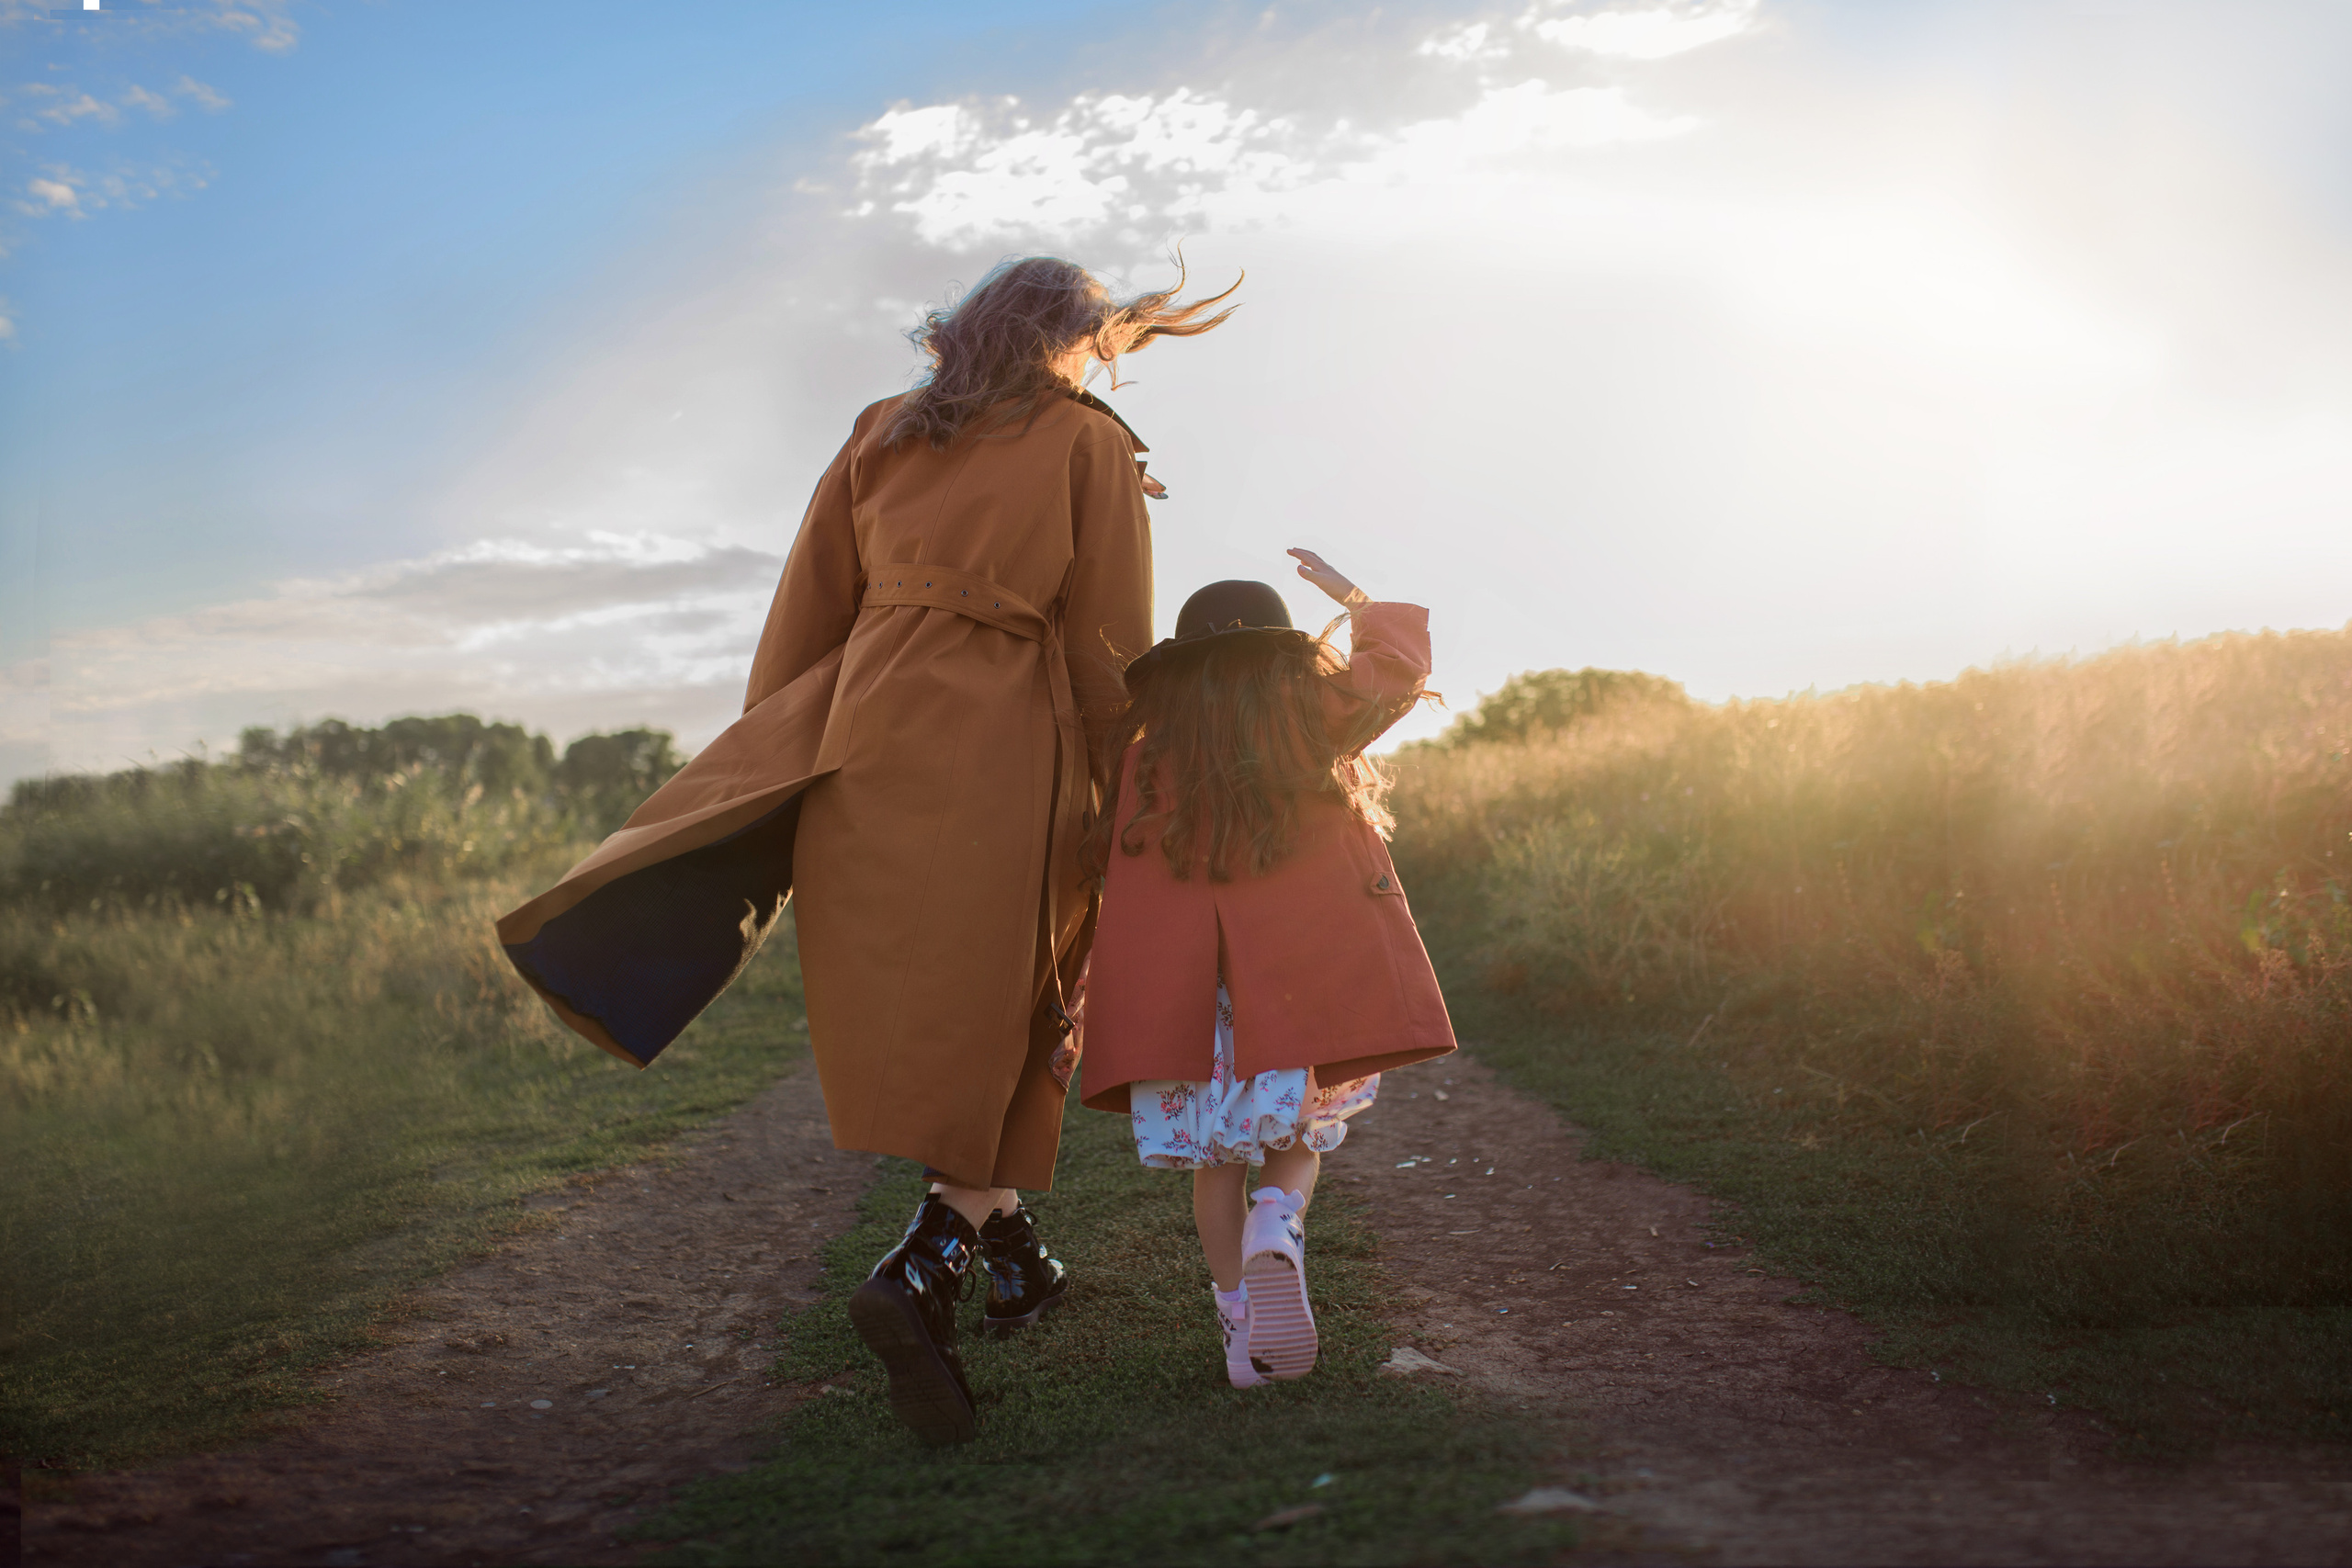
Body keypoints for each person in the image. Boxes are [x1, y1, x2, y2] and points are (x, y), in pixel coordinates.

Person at [493, 255, 1238, 1445]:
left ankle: (1015, 1262)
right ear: (1070, 337)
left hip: (856, 740)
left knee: (950, 1006)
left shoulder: (881, 430)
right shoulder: (1086, 442)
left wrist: (776, 760)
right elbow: (1109, 646)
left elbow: (805, 610)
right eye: (1100, 344)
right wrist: (1124, 792)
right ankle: (924, 1266)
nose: (1104, 361)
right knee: (1020, 998)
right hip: (1009, 746)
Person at [1077, 549, 1457, 1386]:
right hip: (1286, 989)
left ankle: (1236, 1327)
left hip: (1188, 1002)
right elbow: (1396, 670)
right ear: (1284, 654)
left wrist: (1083, 990)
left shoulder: (1146, 759)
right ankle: (1279, 1222)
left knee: (1216, 1164)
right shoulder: (1309, 720)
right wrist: (1350, 596)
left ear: (1180, 672)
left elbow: (1119, 880)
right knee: (1297, 1138)